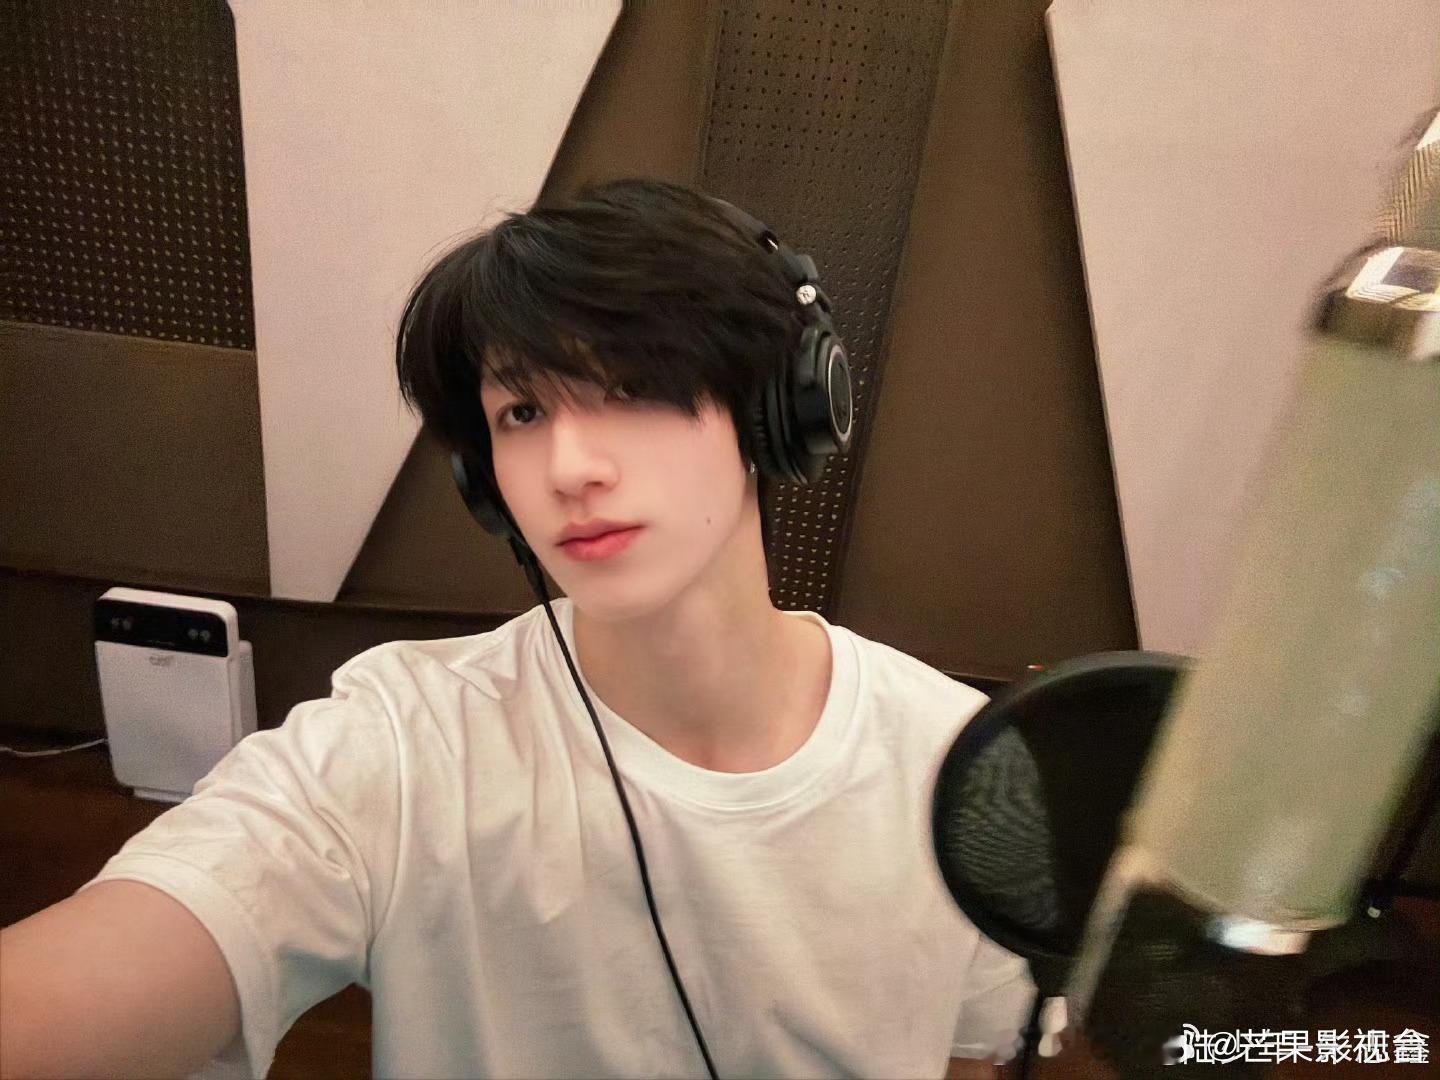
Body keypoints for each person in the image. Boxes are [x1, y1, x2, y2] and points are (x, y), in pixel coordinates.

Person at [0, 178, 1033, 1079]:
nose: (569, 468)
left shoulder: (962, 759)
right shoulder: (403, 740)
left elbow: (967, 1049)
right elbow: (152, 934)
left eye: (631, 388)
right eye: (522, 414)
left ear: (778, 407)